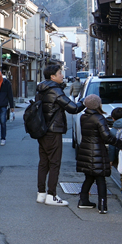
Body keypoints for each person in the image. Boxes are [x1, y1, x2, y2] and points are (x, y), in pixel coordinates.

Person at [35, 63, 85, 207]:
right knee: (55, 163)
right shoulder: (55, 90)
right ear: (52, 76)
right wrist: (84, 101)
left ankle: (41, 194)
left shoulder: (41, 89)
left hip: (42, 130)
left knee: (43, 162)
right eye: (60, 73)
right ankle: (52, 195)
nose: (62, 75)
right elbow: (73, 108)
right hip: (53, 131)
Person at [76, 94, 122, 213]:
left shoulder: (84, 117)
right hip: (97, 152)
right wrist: (121, 144)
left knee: (89, 177)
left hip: (85, 150)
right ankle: (102, 206)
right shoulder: (99, 118)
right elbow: (107, 137)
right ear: (97, 104)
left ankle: (83, 201)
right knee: (100, 179)